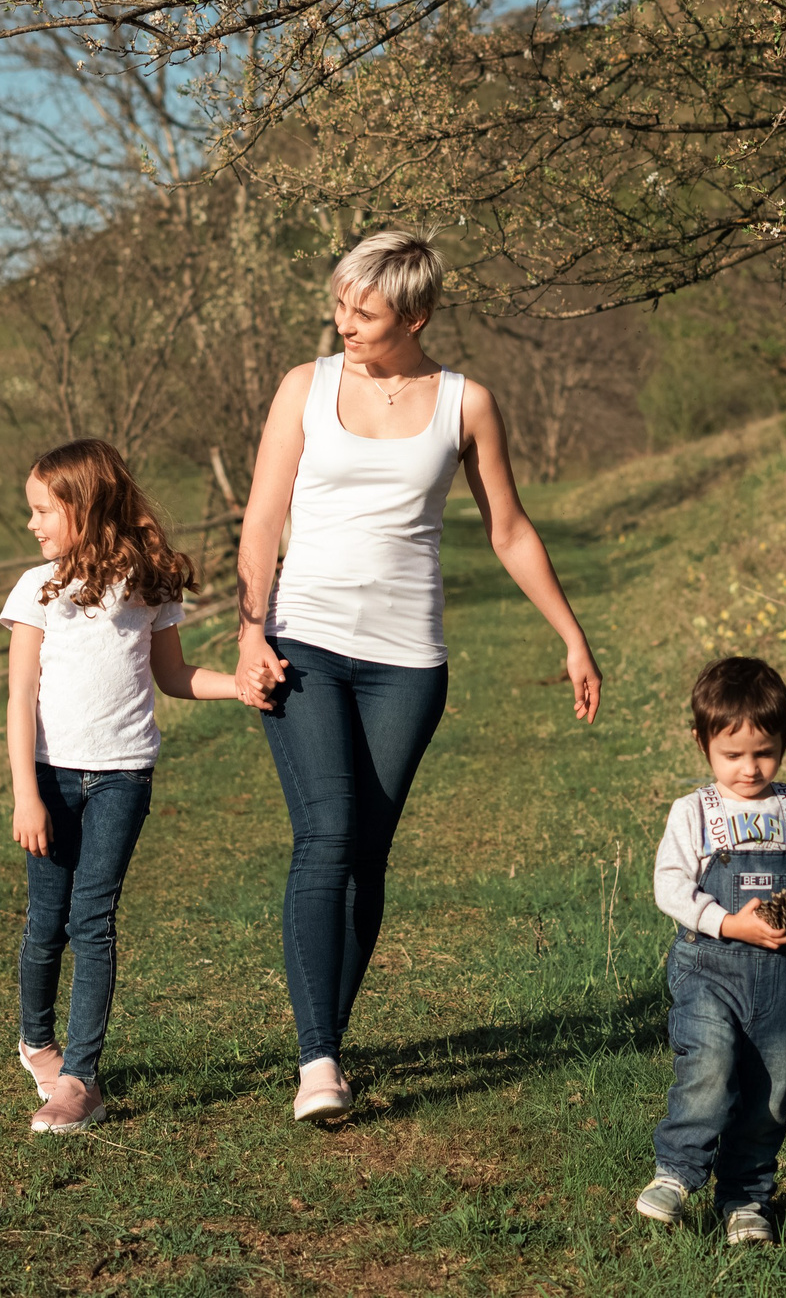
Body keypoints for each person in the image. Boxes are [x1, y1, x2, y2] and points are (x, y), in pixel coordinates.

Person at [234, 228, 602, 1121]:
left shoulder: (465, 404)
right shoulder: (305, 386)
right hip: (305, 641)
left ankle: (326, 1030)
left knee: (369, 851)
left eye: (364, 313)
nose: (344, 324)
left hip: (408, 662)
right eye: (339, 306)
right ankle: (317, 1063)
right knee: (327, 833)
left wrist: (572, 635)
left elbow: (508, 529)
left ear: (417, 316)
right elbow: (261, 519)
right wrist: (250, 632)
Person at [2, 438, 242, 1133]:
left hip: (123, 777)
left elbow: (175, 677)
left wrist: (241, 688)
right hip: (49, 777)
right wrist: (26, 793)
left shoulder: (148, 587)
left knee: (92, 921)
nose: (33, 523)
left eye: (43, 509)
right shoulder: (36, 588)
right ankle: (36, 1042)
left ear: (86, 505)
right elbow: (20, 699)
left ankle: (80, 1081)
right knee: (47, 924)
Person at [635, 656, 786, 1244]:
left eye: (765, 753)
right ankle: (678, 1172)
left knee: (770, 1092)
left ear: (784, 742)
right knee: (710, 1063)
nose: (750, 768)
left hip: (781, 977)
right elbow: (670, 886)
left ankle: (746, 1199)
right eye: (733, 755)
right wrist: (729, 924)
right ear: (702, 743)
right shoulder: (694, 812)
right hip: (709, 966)